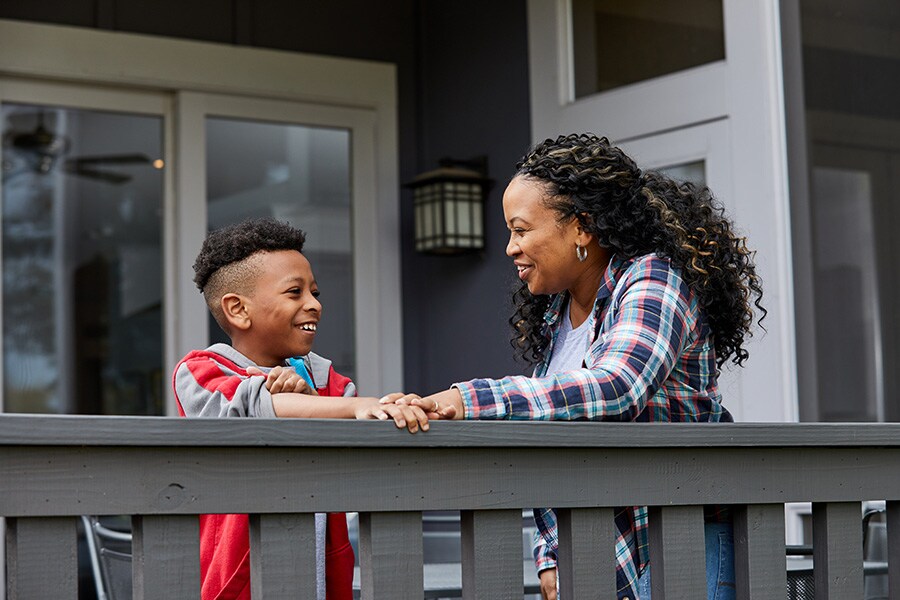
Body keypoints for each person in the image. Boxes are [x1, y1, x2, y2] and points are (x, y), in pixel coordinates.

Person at [383, 133, 765, 600]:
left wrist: (468, 399)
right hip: (598, 555)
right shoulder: (559, 314)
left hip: (676, 547)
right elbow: (559, 433)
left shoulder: (654, 278)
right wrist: (551, 553)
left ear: (581, 227)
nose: (510, 248)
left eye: (521, 230)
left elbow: (617, 386)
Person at [173, 217, 428, 600]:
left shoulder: (330, 384)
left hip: (321, 577)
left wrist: (393, 407)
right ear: (237, 309)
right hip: (241, 581)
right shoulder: (200, 371)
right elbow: (256, 407)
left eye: (314, 291)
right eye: (294, 292)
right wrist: (351, 405)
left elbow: (352, 439)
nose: (314, 304)